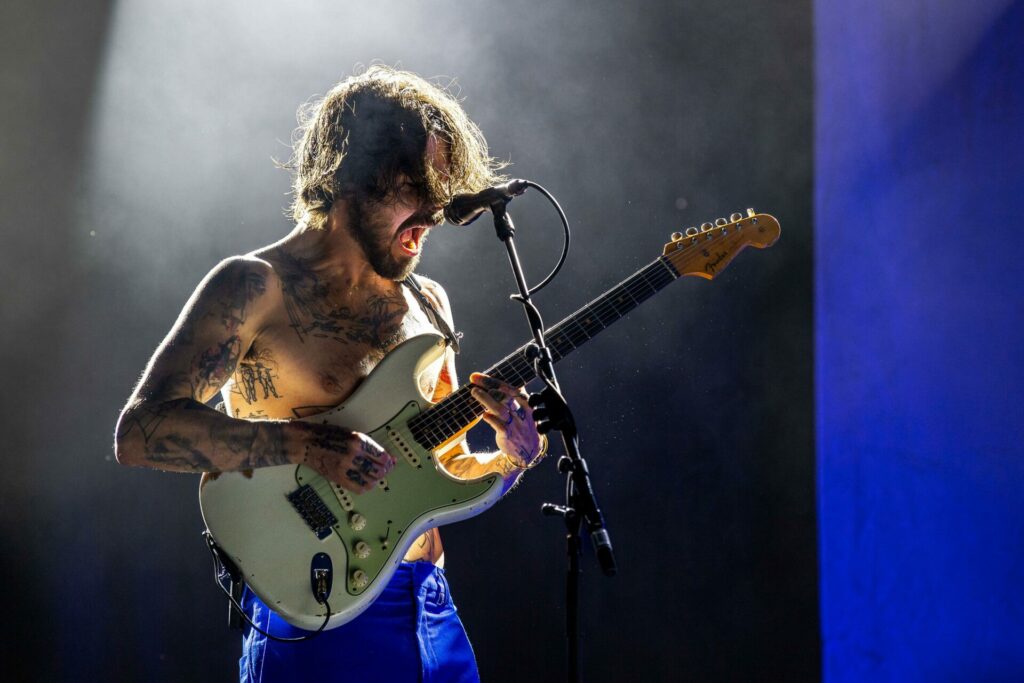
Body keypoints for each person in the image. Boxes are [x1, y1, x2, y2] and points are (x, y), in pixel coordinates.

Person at [114, 65, 546, 682]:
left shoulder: (430, 304)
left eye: (442, 188)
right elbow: (139, 433)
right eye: (413, 186)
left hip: (432, 611)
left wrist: (509, 456)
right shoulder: (253, 285)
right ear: (350, 177)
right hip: (317, 612)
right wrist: (307, 446)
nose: (435, 210)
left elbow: (436, 475)